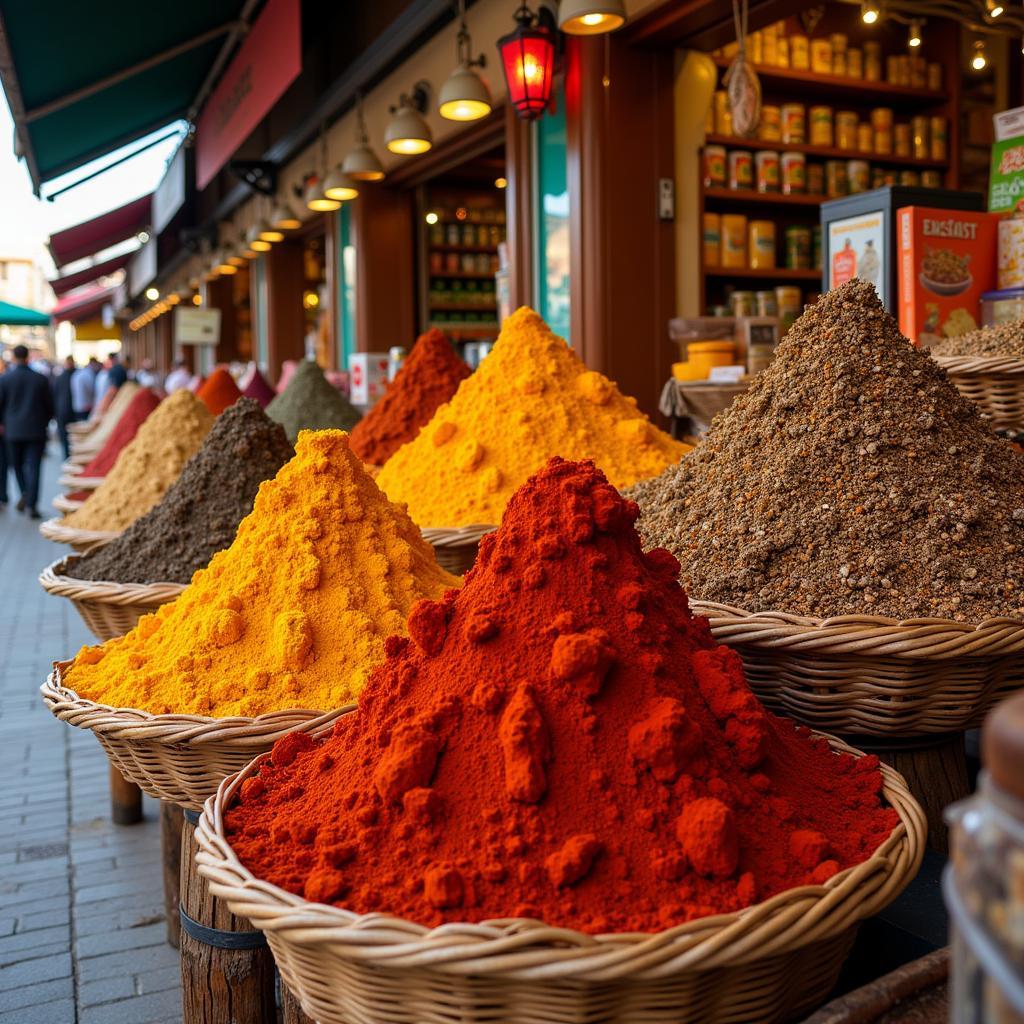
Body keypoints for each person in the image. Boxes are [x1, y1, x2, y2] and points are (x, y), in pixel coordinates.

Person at [0, 344, 54, 518]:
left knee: (16, 466)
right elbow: (50, 406)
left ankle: (25, 492)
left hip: (12, 431)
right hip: (36, 430)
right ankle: (32, 503)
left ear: (14, 357)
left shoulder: (5, 379)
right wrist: (44, 422)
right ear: (28, 356)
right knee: (34, 467)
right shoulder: (40, 379)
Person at [52, 355, 77, 459]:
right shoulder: (76, 375)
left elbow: (54, 395)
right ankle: (70, 456)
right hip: (72, 411)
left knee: (66, 437)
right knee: (72, 436)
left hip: (63, 411)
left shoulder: (60, 377)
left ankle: (67, 456)